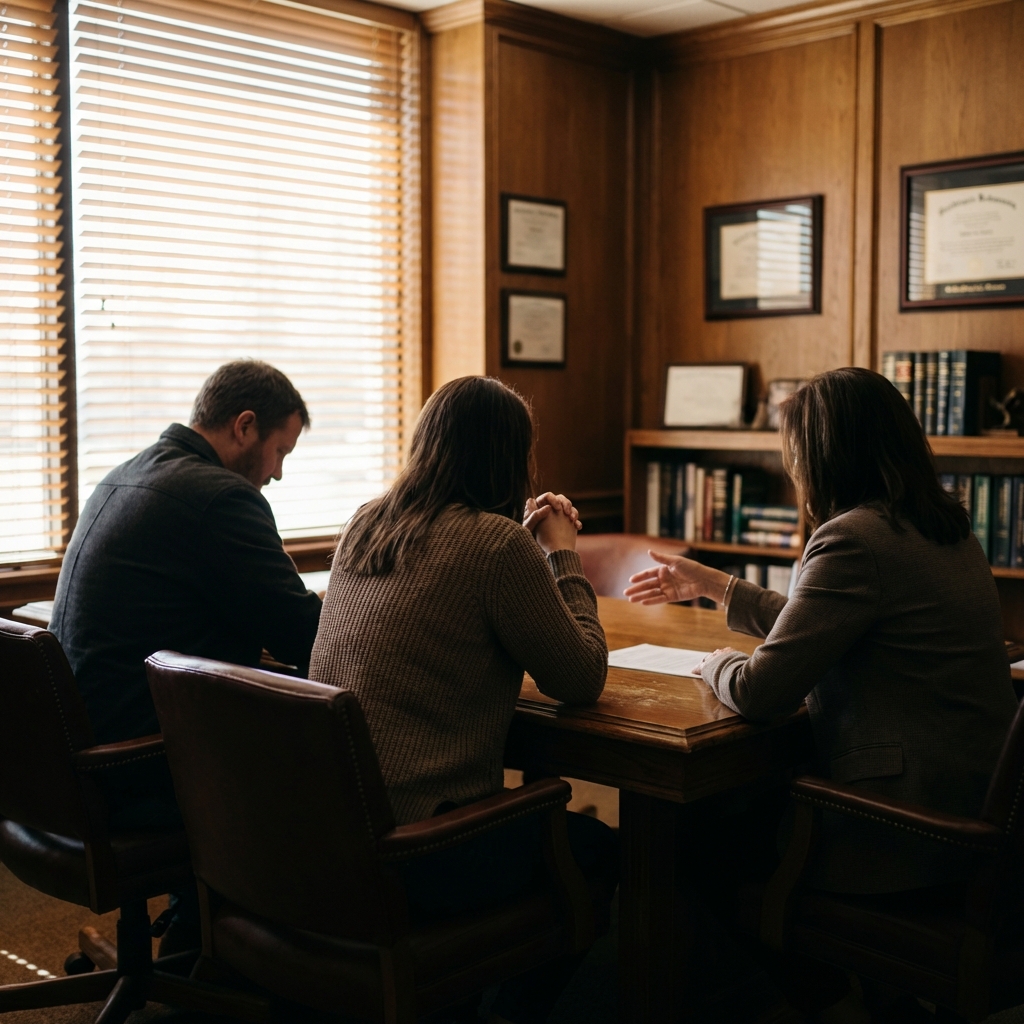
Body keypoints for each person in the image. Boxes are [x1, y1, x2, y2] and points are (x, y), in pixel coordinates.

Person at [625, 367, 1017, 897]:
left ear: (826, 456)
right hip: (975, 806)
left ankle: (783, 972)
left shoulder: (852, 539)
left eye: (795, 456)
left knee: (686, 837)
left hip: (899, 828)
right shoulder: (942, 529)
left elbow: (759, 692)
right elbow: (831, 624)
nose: (794, 472)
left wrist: (715, 662)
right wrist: (721, 587)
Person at [309, 375, 616, 1024]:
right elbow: (582, 676)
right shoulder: (496, 545)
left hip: (330, 834)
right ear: (512, 458)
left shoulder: (367, 522)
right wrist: (562, 554)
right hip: (423, 850)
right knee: (606, 852)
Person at [51, 360, 323, 949]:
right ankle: (261, 956)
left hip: (70, 767)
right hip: (137, 773)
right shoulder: (219, 497)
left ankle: (195, 927)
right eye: (281, 451)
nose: (277, 474)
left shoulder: (124, 475)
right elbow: (306, 636)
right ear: (244, 426)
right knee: (324, 766)